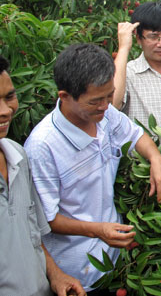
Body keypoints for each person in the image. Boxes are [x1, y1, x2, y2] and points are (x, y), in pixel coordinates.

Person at [24, 44, 161, 292]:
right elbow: (47, 219)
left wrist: (157, 160)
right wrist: (97, 231)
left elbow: (135, 134)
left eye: (109, 96)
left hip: (114, 260)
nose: (106, 105)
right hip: (76, 273)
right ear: (64, 97)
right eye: (96, 101)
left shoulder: (104, 116)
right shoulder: (43, 147)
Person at [0, 55, 86, 296]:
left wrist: (55, 274)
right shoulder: (40, 144)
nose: (6, 111)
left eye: (9, 97)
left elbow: (32, 233)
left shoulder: (16, 155)